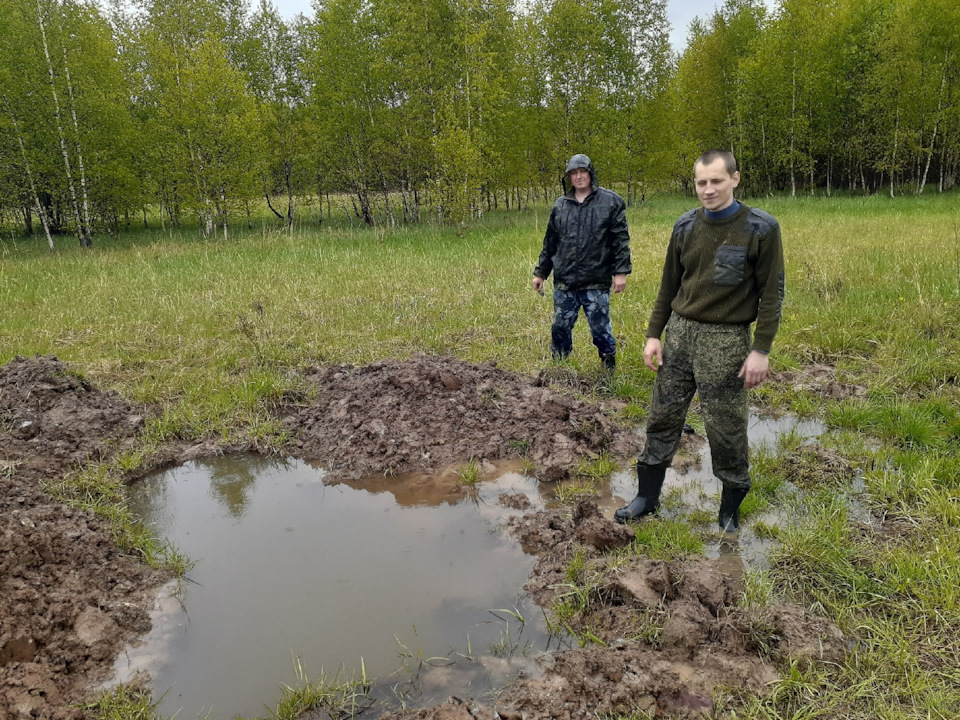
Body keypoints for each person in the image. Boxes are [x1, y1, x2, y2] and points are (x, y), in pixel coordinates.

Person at [615, 149, 784, 533]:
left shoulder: (760, 229)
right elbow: (668, 286)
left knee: (726, 427)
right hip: (679, 334)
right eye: (701, 182)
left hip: (726, 341)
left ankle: (729, 508)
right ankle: (647, 498)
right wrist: (653, 335)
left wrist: (760, 350)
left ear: (735, 179)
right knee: (662, 416)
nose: (708, 190)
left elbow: (771, 295)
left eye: (716, 181)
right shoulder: (685, 226)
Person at [533, 154, 632, 372]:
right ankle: (559, 369)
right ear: (569, 177)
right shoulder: (561, 205)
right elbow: (550, 243)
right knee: (560, 327)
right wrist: (540, 273)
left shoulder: (610, 202)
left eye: (582, 172)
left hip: (596, 280)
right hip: (565, 281)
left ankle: (608, 368)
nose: (578, 177)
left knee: (600, 329)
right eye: (573, 174)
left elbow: (620, 240)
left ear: (590, 173)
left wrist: (621, 272)